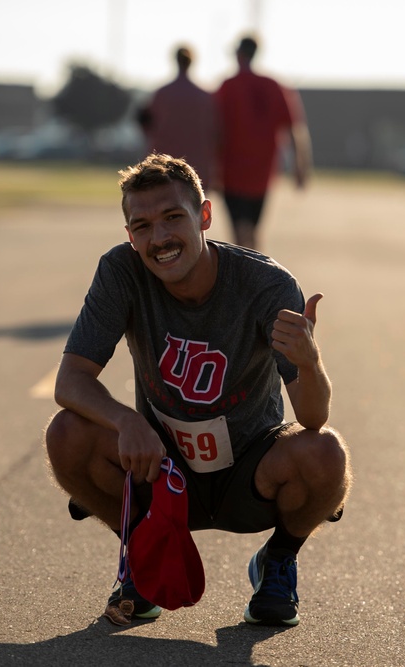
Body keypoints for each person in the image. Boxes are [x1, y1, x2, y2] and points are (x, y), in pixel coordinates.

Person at [44, 153, 350, 628]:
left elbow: (312, 418)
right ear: (130, 235)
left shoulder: (266, 284)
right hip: (162, 468)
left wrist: (310, 364)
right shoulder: (122, 271)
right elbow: (71, 381)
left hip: (250, 472)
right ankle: (141, 562)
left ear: (204, 216)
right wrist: (127, 421)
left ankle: (278, 561)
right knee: (67, 433)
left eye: (173, 218)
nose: (159, 238)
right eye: (141, 225)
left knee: (325, 453)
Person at [215, 35, 312, 250]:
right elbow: (295, 130)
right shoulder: (274, 86)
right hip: (263, 173)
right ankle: (254, 272)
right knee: (250, 229)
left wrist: (211, 167)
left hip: (233, 172)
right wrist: (301, 166)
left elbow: (214, 131)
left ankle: (248, 274)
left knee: (240, 230)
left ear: (239, 54)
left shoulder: (228, 86)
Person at [137, 46, 218, 192]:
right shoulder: (204, 97)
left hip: (164, 165)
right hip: (197, 164)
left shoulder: (162, 94)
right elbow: (215, 133)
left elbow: (146, 124)